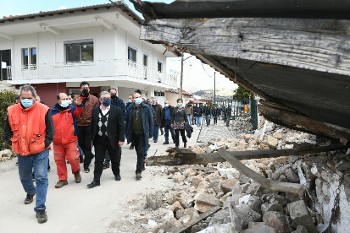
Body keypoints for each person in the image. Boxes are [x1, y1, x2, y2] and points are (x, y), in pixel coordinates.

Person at [4, 84, 54, 224]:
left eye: (29, 98)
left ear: (34, 98)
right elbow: (7, 131)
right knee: (24, 177)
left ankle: (40, 209)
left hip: (40, 150)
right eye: (23, 98)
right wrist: (13, 141)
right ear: (19, 98)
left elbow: (50, 131)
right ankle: (31, 191)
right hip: (22, 151)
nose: (26, 100)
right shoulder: (11, 110)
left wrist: (45, 144)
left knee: (41, 177)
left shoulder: (43, 110)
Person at [87, 91, 125, 188]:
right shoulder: (95, 111)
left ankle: (116, 173)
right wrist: (91, 139)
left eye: (108, 98)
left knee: (115, 160)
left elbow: (121, 126)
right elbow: (92, 126)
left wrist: (121, 139)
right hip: (99, 140)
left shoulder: (117, 110)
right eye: (104, 98)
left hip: (113, 140)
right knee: (98, 161)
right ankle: (96, 180)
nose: (107, 99)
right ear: (100, 100)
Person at [51, 93, 83, 188]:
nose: (66, 101)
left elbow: (79, 113)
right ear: (58, 100)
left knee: (73, 158)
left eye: (67, 99)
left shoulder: (72, 109)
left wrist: (79, 105)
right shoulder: (52, 111)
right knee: (59, 160)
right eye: (63, 99)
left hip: (70, 140)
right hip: (57, 142)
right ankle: (63, 179)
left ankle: (76, 172)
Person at [125, 92, 153, 180]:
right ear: (133, 99)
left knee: (140, 152)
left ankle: (138, 171)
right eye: (136, 97)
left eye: (139, 97)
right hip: (133, 134)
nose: (138, 99)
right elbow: (127, 121)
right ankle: (142, 163)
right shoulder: (129, 108)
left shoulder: (146, 108)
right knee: (138, 151)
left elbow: (150, 120)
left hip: (142, 134)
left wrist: (150, 133)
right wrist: (126, 134)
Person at [76, 81, 100, 173]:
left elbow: (97, 113)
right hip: (79, 125)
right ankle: (90, 155)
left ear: (89, 89)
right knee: (81, 145)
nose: (85, 89)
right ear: (80, 89)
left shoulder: (94, 99)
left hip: (89, 125)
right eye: (83, 88)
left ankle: (86, 166)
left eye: (86, 87)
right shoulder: (76, 98)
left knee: (87, 145)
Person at [103, 87, 126, 169]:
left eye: (114, 93)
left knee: (117, 146)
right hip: (107, 126)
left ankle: (116, 162)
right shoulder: (105, 102)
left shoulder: (120, 102)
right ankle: (107, 161)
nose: (113, 95)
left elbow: (123, 112)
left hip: (116, 127)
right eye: (111, 93)